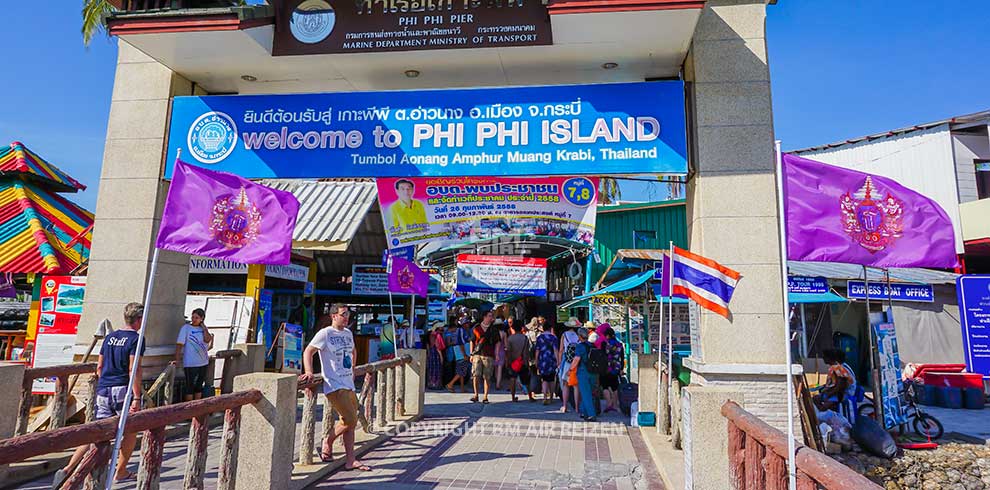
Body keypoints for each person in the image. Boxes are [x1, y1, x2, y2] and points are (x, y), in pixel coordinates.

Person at [54, 303, 146, 486]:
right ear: (139, 320)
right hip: (122, 389)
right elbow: (133, 369)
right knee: (130, 430)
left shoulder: (110, 337)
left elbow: (99, 367)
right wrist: (136, 396)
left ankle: (68, 468)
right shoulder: (136, 339)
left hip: (104, 389)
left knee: (97, 431)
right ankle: (120, 470)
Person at [301, 304, 371, 471]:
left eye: (348, 314)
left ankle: (350, 460)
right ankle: (328, 440)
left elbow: (353, 351)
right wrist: (309, 371)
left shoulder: (348, 333)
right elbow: (308, 351)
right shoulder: (325, 333)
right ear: (333, 316)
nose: (346, 317)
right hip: (334, 384)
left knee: (349, 423)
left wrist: (353, 367)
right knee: (351, 419)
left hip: (348, 383)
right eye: (343, 314)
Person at [172, 308, 214, 401]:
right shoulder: (186, 328)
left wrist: (204, 328)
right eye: (193, 317)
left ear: (202, 318)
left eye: (197, 317)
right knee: (190, 386)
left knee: (199, 385)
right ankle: (189, 407)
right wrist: (177, 359)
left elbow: (207, 340)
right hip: (191, 362)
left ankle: (197, 406)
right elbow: (179, 345)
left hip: (203, 361)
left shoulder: (203, 329)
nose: (194, 319)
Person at [814, 348, 858, 412]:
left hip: (844, 393)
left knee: (822, 405)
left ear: (830, 358)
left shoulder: (838, 368)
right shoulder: (840, 366)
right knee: (817, 398)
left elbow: (841, 386)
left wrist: (829, 394)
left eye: (825, 356)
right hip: (840, 392)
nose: (823, 358)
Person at [470, 310, 498, 404]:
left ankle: (485, 396)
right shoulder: (476, 328)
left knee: (487, 376)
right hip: (477, 354)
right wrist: (471, 354)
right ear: (484, 317)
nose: (491, 318)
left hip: (488, 355)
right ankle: (476, 394)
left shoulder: (493, 329)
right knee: (475, 375)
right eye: (489, 316)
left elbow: (497, 342)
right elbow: (472, 341)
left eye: (492, 316)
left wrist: (496, 354)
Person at [571, 327, 597, 421]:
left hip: (583, 372)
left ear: (579, 336)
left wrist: (570, 369)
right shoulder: (592, 345)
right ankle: (583, 412)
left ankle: (591, 414)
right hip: (593, 372)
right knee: (590, 392)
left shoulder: (580, 346)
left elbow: (576, 359)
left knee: (586, 394)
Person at [505, 321, 535, 402]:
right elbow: (526, 352)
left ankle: (513, 397)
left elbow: (508, 352)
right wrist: (527, 363)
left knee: (512, 379)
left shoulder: (510, 338)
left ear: (513, 328)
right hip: (523, 362)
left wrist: (508, 362)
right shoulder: (525, 338)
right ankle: (530, 396)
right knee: (526, 380)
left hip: (513, 362)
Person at [557, 318, 581, 413]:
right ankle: (576, 407)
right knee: (576, 386)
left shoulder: (564, 335)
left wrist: (559, 363)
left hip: (567, 362)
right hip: (576, 362)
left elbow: (561, 350)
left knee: (565, 384)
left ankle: (565, 406)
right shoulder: (578, 335)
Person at [601, 327, 624, 413]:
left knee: (605, 386)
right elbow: (622, 357)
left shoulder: (604, 344)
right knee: (615, 387)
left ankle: (608, 403)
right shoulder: (619, 344)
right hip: (616, 367)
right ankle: (615, 405)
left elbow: (602, 356)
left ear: (607, 335)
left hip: (606, 367)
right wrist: (621, 369)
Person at [535, 322, 559, 405]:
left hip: (542, 360)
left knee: (544, 379)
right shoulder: (554, 338)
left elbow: (537, 350)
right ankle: (551, 397)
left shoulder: (539, 338)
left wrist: (536, 361)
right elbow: (556, 350)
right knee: (552, 379)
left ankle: (545, 397)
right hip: (551, 360)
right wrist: (558, 361)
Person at [444, 319, 471, 393]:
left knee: (461, 371)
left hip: (459, 354)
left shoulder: (458, 332)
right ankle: (450, 384)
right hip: (462, 354)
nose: (468, 325)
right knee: (461, 371)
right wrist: (464, 354)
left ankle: (462, 388)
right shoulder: (461, 331)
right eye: (466, 323)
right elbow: (461, 343)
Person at [427, 322, 445, 390]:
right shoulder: (437, 335)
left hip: (431, 353)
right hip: (436, 354)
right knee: (437, 369)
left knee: (431, 369)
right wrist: (441, 357)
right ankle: (436, 384)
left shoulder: (430, 334)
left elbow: (428, 345)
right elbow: (438, 347)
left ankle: (431, 384)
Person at [494, 319, 508, 390]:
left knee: (495, 368)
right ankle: (498, 384)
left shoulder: (493, 333)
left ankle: (497, 382)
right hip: (501, 351)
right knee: (500, 369)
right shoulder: (504, 333)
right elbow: (506, 345)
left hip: (493, 351)